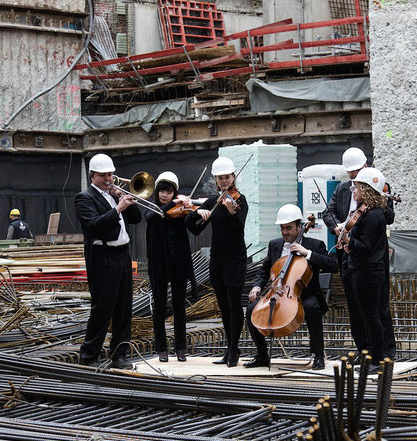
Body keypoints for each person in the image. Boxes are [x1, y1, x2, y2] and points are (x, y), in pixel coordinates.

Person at [322, 147, 397, 358]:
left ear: (365, 166)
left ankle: (385, 350)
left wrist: (375, 201)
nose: (353, 178)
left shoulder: (378, 185)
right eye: (351, 174)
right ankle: (364, 349)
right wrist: (338, 227)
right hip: (348, 252)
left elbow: (389, 216)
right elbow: (328, 212)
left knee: (378, 306)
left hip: (370, 254)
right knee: (355, 304)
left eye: (356, 172)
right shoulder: (343, 188)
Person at [244, 204, 337, 370]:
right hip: (279, 292)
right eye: (282, 228)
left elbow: (332, 265)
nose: (285, 232)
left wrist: (307, 253)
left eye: (289, 228)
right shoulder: (275, 245)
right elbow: (265, 271)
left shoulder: (315, 245)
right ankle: (262, 355)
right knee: (251, 309)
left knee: (311, 307)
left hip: (306, 293)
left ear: (299, 226)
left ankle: (318, 354)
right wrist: (257, 287)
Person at [75, 153, 141, 369]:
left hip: (122, 254)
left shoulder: (114, 194)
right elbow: (93, 225)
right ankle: (89, 355)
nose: (109, 179)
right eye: (103, 175)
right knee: (103, 307)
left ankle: (119, 354)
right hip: (103, 257)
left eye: (110, 174)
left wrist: (127, 201)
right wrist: (117, 208)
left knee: (124, 307)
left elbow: (136, 219)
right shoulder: (85, 198)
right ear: (92, 175)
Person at [187, 156, 249, 367]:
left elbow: (238, 230)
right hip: (218, 259)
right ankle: (229, 348)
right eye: (220, 178)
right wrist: (196, 212)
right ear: (215, 179)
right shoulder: (213, 202)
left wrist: (232, 212)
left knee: (234, 305)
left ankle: (234, 350)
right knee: (223, 306)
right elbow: (194, 228)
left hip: (235, 258)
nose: (224, 182)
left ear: (233, 177)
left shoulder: (240, 200)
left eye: (227, 177)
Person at [144, 171, 198, 362]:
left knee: (179, 306)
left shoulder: (180, 212)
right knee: (159, 306)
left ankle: (181, 348)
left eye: (168, 192)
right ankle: (162, 349)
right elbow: (152, 216)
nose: (164, 195)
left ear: (175, 192)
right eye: (161, 191)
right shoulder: (151, 208)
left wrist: (202, 212)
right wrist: (172, 204)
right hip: (159, 263)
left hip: (178, 263)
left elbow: (196, 228)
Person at [342, 167, 391, 372]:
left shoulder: (372, 216)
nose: (354, 190)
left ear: (367, 189)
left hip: (369, 271)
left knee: (371, 316)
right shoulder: (367, 211)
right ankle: (372, 356)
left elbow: (366, 246)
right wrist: (350, 244)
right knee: (366, 316)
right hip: (361, 268)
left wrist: (349, 241)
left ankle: (377, 359)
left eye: (358, 187)